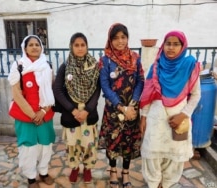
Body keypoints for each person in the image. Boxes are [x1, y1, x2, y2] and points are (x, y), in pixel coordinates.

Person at [140, 30, 201, 188]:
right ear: (163, 46)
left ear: (183, 46)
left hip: (178, 120)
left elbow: (196, 95)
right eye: (168, 44)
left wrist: (184, 115)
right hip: (156, 121)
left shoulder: (189, 66)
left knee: (174, 159)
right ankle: (154, 184)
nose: (171, 48)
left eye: (176, 44)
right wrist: (144, 117)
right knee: (152, 157)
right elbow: (147, 94)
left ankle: (166, 184)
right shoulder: (156, 66)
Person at [98, 23, 144, 188]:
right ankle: (113, 171)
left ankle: (125, 173)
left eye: (123, 37)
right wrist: (121, 107)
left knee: (128, 142)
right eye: (116, 38)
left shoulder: (135, 58)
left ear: (127, 38)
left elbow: (140, 81)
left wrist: (132, 104)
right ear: (110, 40)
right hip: (113, 111)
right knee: (113, 142)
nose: (120, 41)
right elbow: (105, 86)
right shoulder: (105, 60)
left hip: (131, 110)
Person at [8, 35, 55, 188]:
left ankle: (43, 172)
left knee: (45, 145)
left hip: (45, 115)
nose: (34, 47)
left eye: (37, 44)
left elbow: (51, 91)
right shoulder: (18, 66)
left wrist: (42, 111)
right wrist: (33, 115)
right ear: (25, 48)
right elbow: (17, 94)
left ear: (41, 47)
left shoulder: (47, 65)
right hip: (25, 116)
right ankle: (31, 177)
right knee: (28, 148)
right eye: (31, 45)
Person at [53, 32, 101, 184]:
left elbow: (97, 89)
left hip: (89, 113)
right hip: (71, 114)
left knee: (89, 145)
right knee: (73, 145)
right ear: (71, 47)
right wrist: (73, 110)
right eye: (76, 45)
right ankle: (75, 168)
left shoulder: (94, 66)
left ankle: (87, 169)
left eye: (83, 45)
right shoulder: (65, 66)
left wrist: (87, 110)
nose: (80, 48)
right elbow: (57, 90)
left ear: (87, 47)